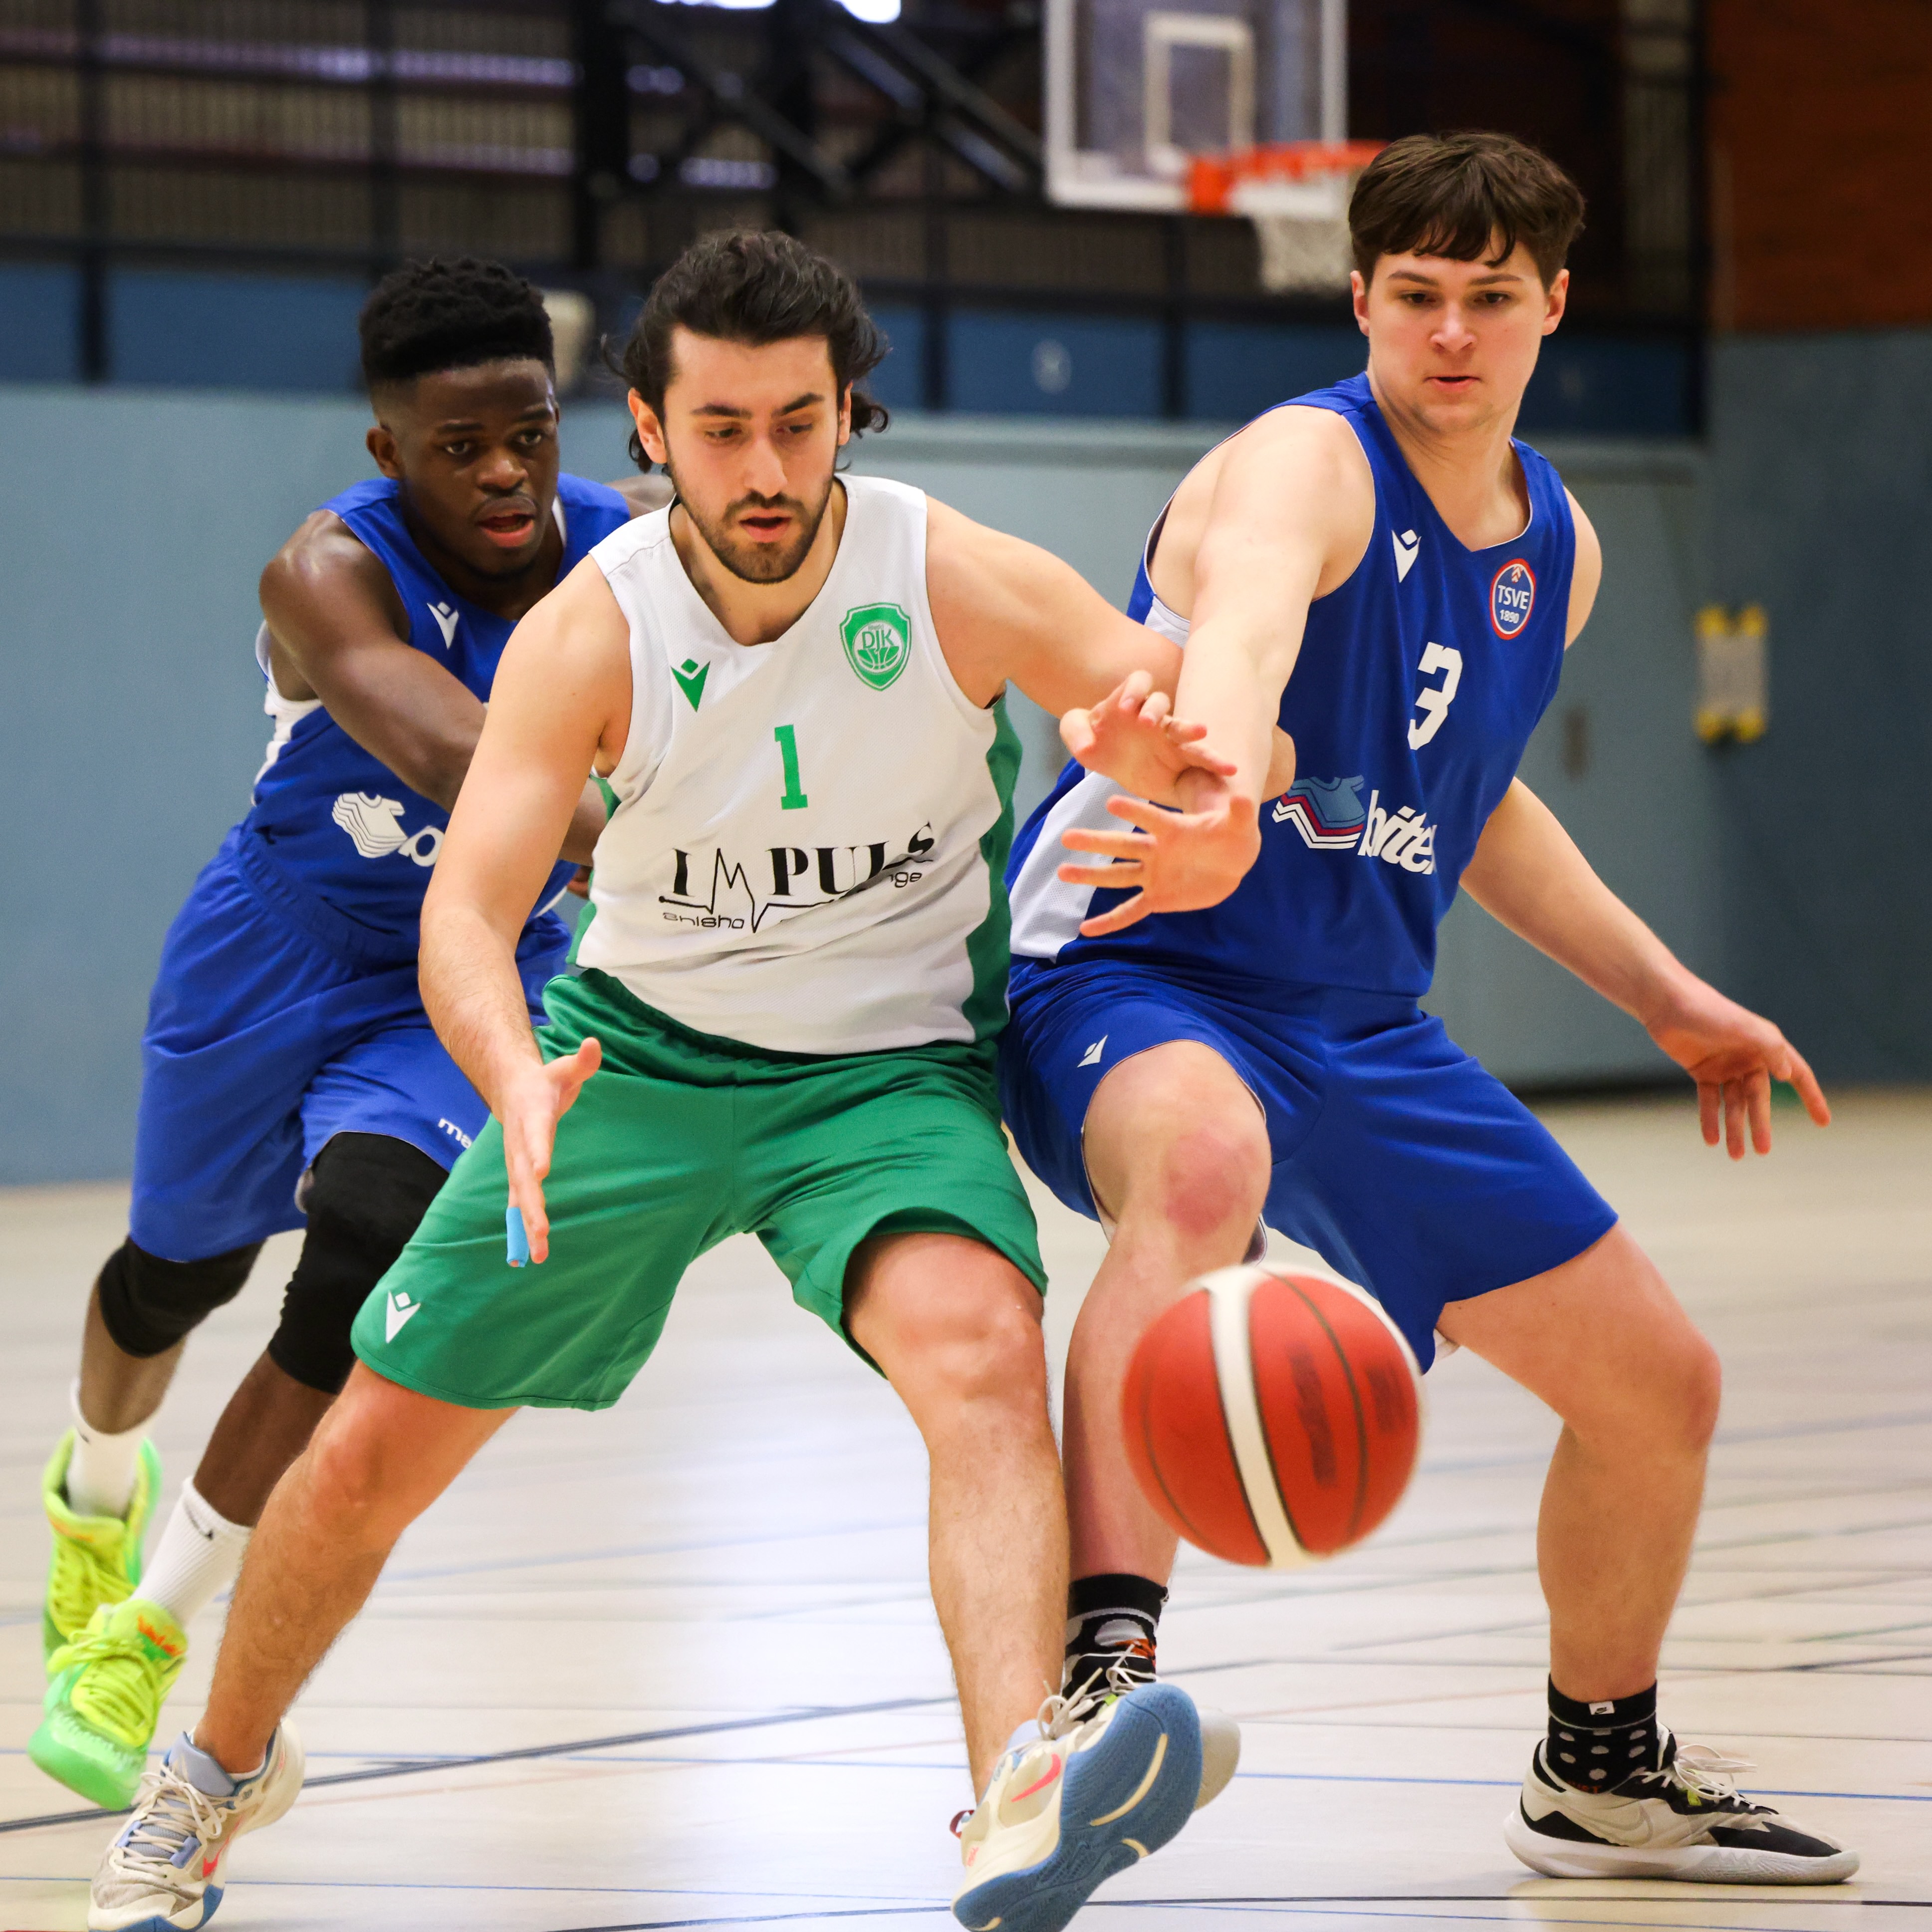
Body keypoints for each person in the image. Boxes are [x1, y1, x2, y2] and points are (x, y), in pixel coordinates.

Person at [81, 231, 1316, 1932]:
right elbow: (468, 916)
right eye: (723, 429)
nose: (767, 469)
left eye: (800, 423)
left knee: (980, 1349)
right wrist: (511, 1074)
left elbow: (1240, 736)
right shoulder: (591, 631)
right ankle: (208, 1775)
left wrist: (1186, 772)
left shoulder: (955, 575)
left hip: (882, 1078)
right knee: (364, 1454)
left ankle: (1017, 1795)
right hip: (635, 1062)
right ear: (653, 433)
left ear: (848, 413)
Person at [998, 132, 1859, 1884]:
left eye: (1489, 297)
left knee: (1660, 1386)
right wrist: (1216, 786)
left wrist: (1672, 997)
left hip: (1361, 1026)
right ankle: (1098, 1685)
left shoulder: (1562, 547)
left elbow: (1477, 810)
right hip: (1138, 961)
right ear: (1361, 300)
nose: (1450, 333)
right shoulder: (1303, 465)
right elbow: (1241, 642)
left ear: (1554, 304)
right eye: (1414, 296)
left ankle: (1597, 1770)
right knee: (1202, 1166)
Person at [35, 257, 667, 1812]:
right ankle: (93, 1492)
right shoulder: (322, 573)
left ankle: (142, 1637)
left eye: (528, 432)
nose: (506, 471)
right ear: (390, 450)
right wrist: (659, 843)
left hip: (466, 969)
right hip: (276, 944)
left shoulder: (635, 553)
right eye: (461, 447)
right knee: (173, 1278)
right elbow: (460, 755)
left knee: (369, 1245)